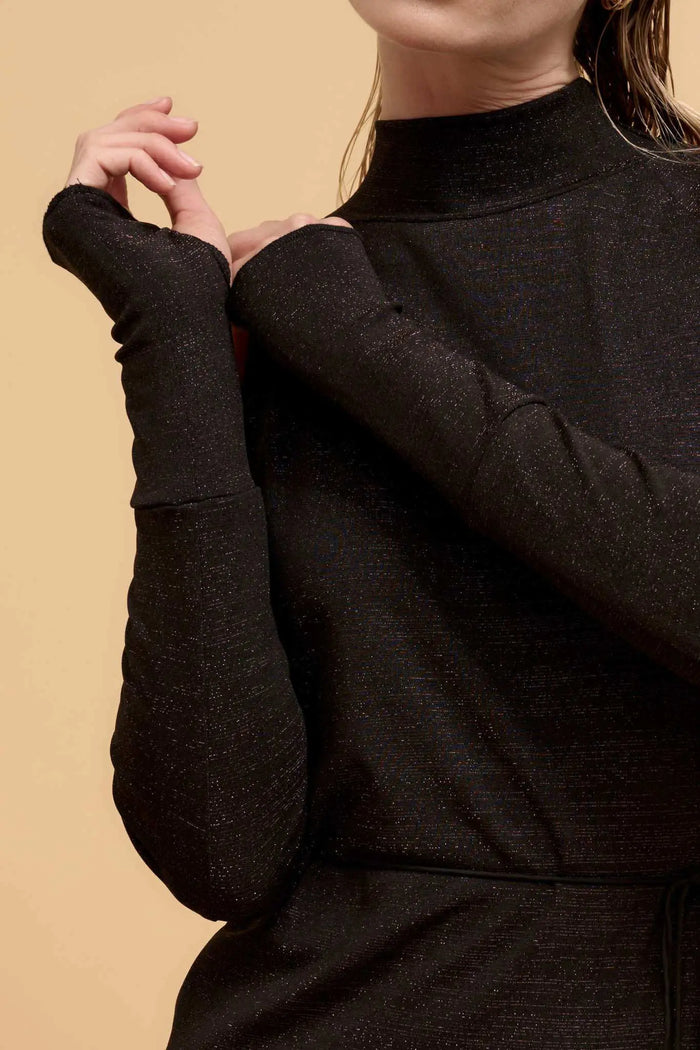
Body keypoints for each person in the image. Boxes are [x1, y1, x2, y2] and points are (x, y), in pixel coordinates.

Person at [41, 0, 700, 1047]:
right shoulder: (270, 293)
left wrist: (359, 344)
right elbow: (221, 850)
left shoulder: (313, 299)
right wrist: (173, 343)